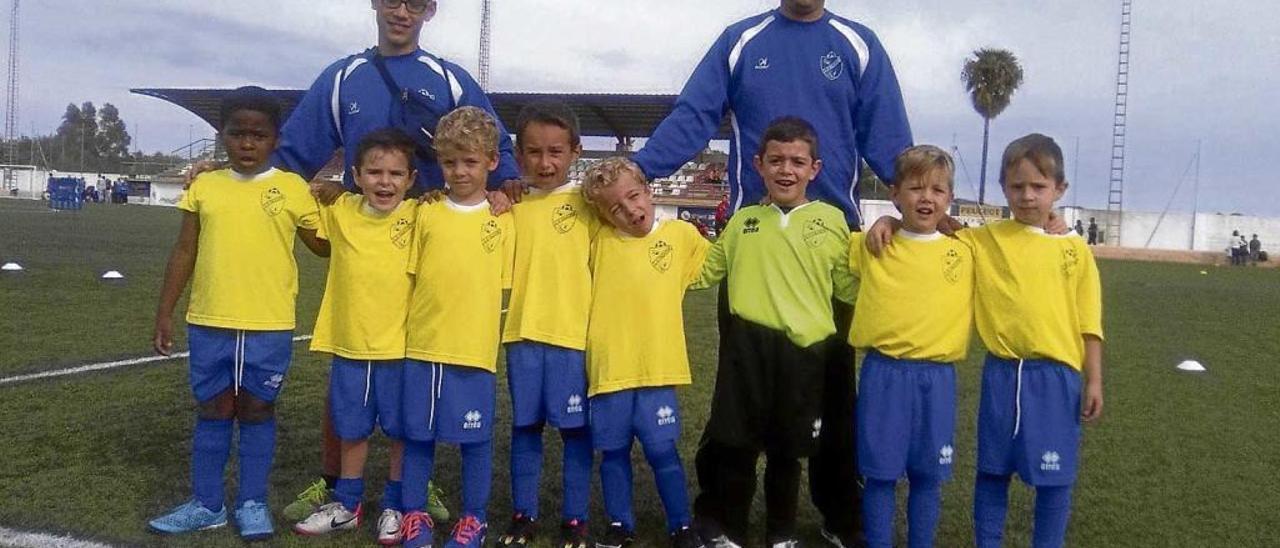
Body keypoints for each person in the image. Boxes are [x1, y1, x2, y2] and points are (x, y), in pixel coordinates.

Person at [631, 3, 912, 543]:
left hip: (829, 250)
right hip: (753, 249)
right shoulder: (741, 40)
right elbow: (694, 115)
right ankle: (720, 513)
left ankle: (840, 515)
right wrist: (638, 170)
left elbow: (889, 137)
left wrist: (922, 200)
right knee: (738, 397)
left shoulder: (858, 44)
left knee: (833, 397)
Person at [278, 0, 515, 522]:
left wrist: (504, 189)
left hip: (427, 242)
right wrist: (224, 177)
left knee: (411, 376)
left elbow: (495, 147)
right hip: (363, 244)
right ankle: (337, 482)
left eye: (415, 2)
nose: (401, 11)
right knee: (352, 360)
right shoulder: (343, 78)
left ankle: (412, 488)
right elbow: (290, 154)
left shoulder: (449, 80)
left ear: (430, 10)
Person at [871, 134, 1105, 548]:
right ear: (1004, 188)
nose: (1028, 196)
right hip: (1000, 372)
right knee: (992, 470)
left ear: (1060, 190)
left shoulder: (1075, 249)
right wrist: (888, 220)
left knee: (1055, 477)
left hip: (1057, 377)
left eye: (1039, 187)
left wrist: (1094, 380)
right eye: (1017, 187)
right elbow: (932, 226)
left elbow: (1090, 321)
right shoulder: (984, 240)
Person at [147, 87, 327, 540]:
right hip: (209, 320)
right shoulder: (204, 186)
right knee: (213, 409)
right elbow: (185, 250)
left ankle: (251, 502)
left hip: (269, 324)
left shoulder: (291, 188)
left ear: (275, 138)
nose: (247, 143)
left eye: (258, 134)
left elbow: (323, 247)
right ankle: (207, 503)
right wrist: (164, 312)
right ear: (222, 136)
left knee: (257, 409)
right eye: (237, 133)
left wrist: (347, 196)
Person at [689, 117, 855, 547]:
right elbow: (704, 273)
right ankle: (731, 531)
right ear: (759, 165)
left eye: (797, 162)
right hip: (747, 351)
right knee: (736, 447)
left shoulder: (832, 219)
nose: (786, 170)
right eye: (776, 160)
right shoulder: (743, 221)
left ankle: (781, 534)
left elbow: (848, 287)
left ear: (814, 169)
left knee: (788, 452)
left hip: (804, 356)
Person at [291, 129, 418, 544]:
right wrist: (209, 170)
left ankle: (396, 505)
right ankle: (347, 503)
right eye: (375, 172)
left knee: (402, 431)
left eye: (396, 173)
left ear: (412, 179)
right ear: (356, 176)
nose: (385, 182)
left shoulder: (421, 214)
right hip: (350, 343)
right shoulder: (340, 208)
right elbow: (279, 186)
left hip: (402, 346)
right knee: (352, 428)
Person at [399, 107, 515, 548]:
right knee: (418, 436)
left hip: (473, 350)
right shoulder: (424, 212)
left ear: (491, 162)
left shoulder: (504, 219)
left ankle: (474, 519)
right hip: (423, 347)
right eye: (450, 162)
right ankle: (415, 515)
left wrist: (505, 198)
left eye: (470, 162)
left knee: (475, 440)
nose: (459, 171)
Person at [580, 157, 709, 548]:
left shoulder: (682, 236)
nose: (630, 210)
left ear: (648, 190)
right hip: (609, 370)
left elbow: (720, 264)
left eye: (634, 196)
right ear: (603, 216)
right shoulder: (597, 243)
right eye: (615, 207)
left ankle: (681, 525)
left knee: (661, 449)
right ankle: (620, 524)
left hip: (657, 368)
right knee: (613, 452)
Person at [850, 145, 973, 548]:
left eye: (938, 190)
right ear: (894, 193)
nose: (927, 198)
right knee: (881, 474)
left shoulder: (967, 250)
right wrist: (883, 221)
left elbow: (1021, 241)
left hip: (937, 379)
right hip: (884, 374)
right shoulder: (873, 244)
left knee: (928, 476)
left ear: (949, 198)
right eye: (916, 188)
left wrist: (1056, 222)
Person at [494, 102, 597, 548]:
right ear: (518, 156)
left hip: (573, 338)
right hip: (521, 336)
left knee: (576, 431)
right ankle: (523, 515)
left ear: (575, 151)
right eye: (534, 152)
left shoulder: (590, 204)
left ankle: (575, 519)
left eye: (556, 151)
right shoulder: (511, 205)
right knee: (525, 426)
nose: (545, 162)